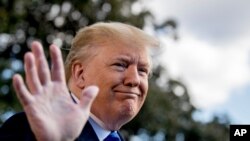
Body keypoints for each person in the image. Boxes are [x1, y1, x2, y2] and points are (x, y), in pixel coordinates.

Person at [0, 22, 159, 141]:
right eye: (120, 65)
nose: (135, 80)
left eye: (142, 70)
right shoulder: (30, 129)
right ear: (80, 74)